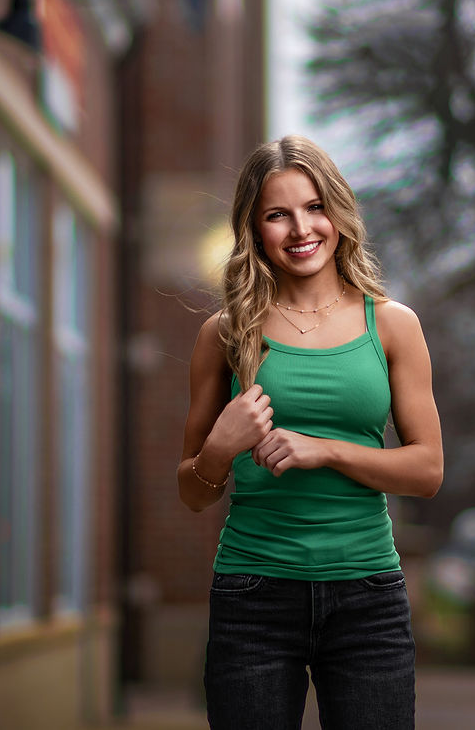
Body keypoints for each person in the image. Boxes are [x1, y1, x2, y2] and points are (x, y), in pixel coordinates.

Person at [177, 135, 443, 730]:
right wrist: (221, 446)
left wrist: (323, 450)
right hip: (254, 595)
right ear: (255, 228)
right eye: (278, 214)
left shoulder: (393, 325)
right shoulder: (225, 335)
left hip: (367, 596)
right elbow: (192, 491)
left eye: (315, 207)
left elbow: (427, 472)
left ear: (339, 213)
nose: (301, 229)